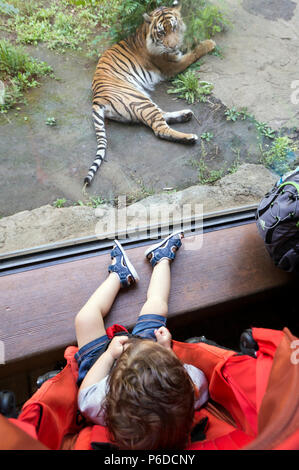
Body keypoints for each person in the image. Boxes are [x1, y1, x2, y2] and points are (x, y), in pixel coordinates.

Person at [74, 232, 209, 450]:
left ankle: (118, 275)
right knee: (156, 305)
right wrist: (165, 350)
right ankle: (161, 258)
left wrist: (109, 355)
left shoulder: (101, 404)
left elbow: (86, 392)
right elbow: (190, 377)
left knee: (85, 318)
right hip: (148, 353)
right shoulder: (192, 393)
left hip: (102, 372)